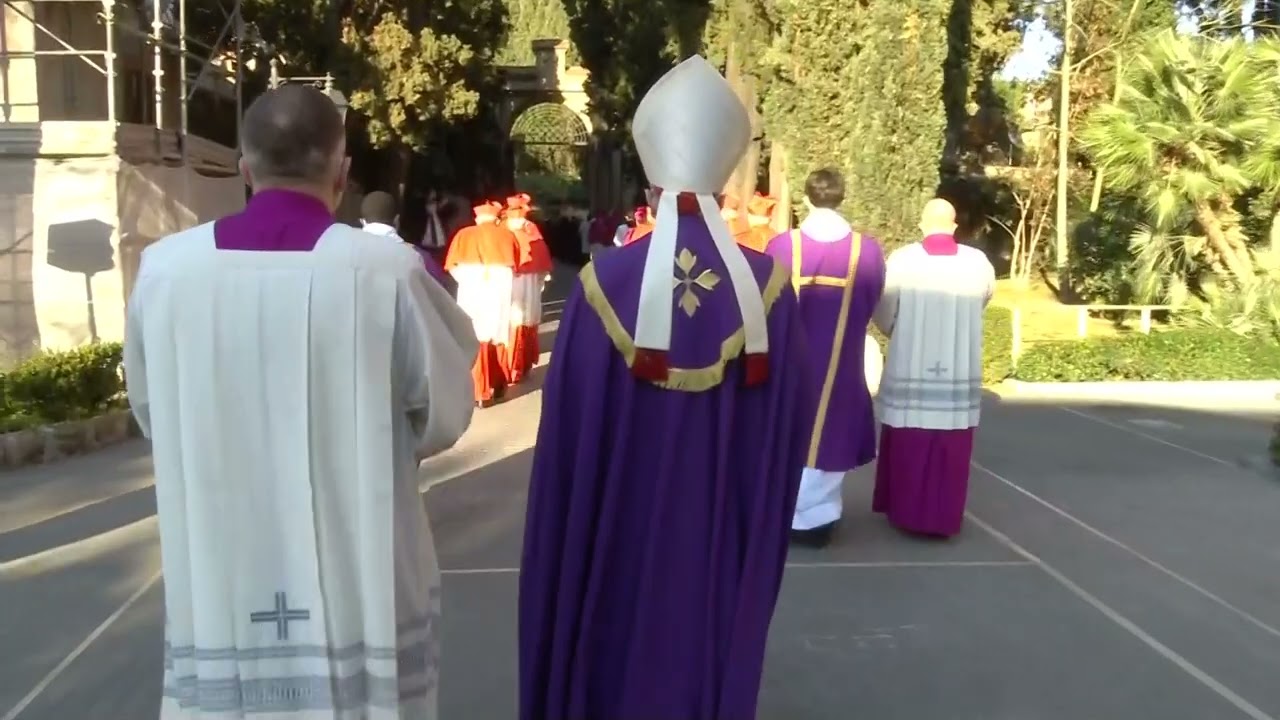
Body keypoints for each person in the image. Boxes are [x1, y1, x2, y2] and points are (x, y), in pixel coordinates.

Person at [123, 84, 478, 720]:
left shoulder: (165, 272)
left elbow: (153, 411)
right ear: (342, 173)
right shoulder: (386, 272)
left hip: (221, 556)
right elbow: (445, 411)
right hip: (359, 555)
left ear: (244, 170)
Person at [519, 55, 815, 720]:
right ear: (723, 185)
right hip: (717, 528)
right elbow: (786, 424)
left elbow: (569, 433)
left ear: (651, 191)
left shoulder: (600, 285)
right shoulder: (768, 292)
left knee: (610, 625)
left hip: (614, 526)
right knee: (702, 633)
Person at [764, 167, 886, 547]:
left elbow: (764, 303)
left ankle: (782, 514)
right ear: (841, 198)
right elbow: (872, 299)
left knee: (788, 431)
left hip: (789, 366)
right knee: (832, 433)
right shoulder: (866, 251)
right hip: (841, 365)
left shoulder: (782, 247)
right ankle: (818, 521)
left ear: (806, 198)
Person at [872, 198, 995, 537]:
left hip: (912, 362)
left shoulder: (903, 260)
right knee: (951, 447)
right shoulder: (978, 263)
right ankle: (943, 517)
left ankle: (905, 512)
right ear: (954, 226)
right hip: (957, 366)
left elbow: (885, 307)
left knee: (910, 439)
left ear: (922, 225)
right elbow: (983, 301)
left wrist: (897, 332)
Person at [445, 200, 522, 406]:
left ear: (478, 218)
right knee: (498, 336)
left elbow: (452, 266)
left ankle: (480, 391)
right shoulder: (507, 235)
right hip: (498, 290)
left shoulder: (463, 234)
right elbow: (516, 268)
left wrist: (467, 280)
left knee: (476, 336)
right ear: (496, 218)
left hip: (471, 289)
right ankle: (498, 385)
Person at [505, 193, 554, 383]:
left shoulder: (502, 228)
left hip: (507, 279)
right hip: (529, 281)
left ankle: (511, 367)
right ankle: (521, 365)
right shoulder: (531, 229)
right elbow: (542, 260)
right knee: (524, 319)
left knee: (511, 322)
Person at [362, 190, 450, 287]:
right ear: (397, 220)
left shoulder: (349, 250)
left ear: (362, 222)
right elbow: (440, 288)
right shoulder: (420, 256)